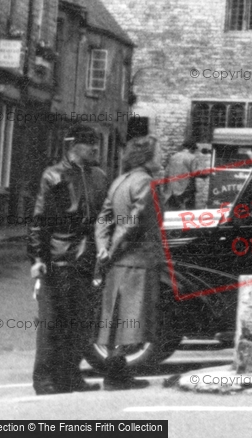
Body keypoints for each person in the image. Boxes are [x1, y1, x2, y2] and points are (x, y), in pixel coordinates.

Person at [28, 124, 108, 395]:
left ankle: (70, 375)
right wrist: (38, 258)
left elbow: (104, 217)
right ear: (74, 146)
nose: (95, 148)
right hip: (59, 258)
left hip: (87, 258)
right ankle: (44, 379)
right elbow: (40, 221)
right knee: (52, 323)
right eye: (89, 143)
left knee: (81, 322)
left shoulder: (98, 176)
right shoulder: (54, 176)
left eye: (95, 142)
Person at [94, 135, 165, 390]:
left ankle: (117, 373)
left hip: (119, 262)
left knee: (117, 319)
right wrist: (111, 249)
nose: (162, 157)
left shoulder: (119, 181)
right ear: (146, 157)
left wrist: (103, 249)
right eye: (159, 153)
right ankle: (116, 376)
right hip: (139, 260)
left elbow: (103, 219)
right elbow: (133, 221)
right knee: (132, 319)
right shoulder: (146, 182)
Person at [164, 138, 205, 210]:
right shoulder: (192, 157)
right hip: (186, 190)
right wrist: (205, 174)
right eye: (194, 149)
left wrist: (166, 188)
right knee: (189, 213)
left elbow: (166, 172)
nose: (194, 151)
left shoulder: (174, 156)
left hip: (172, 190)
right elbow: (194, 172)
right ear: (191, 148)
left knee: (172, 213)